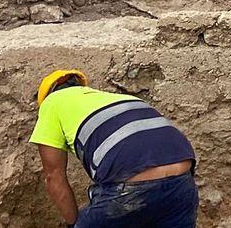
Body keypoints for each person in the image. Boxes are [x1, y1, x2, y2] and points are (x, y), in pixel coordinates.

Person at [30, 70, 198, 227]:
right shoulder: (122, 99)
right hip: (183, 181)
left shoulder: (52, 103)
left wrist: (74, 224)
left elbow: (54, 177)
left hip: (132, 188)